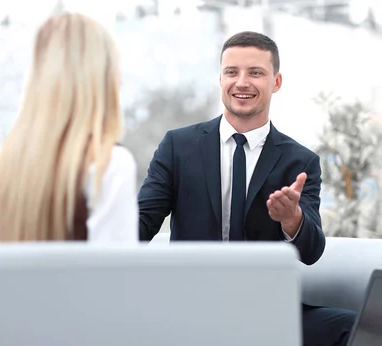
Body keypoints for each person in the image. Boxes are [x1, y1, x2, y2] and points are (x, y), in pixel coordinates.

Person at [138, 31, 356, 345]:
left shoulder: (300, 162)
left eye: (255, 73)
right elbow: (141, 224)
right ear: (220, 79)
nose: (242, 82)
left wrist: (291, 219)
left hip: (266, 309)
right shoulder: (179, 147)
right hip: (189, 306)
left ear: (276, 82)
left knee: (354, 328)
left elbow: (311, 252)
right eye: (232, 72)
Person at [0, 13, 138, 242]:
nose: (120, 81)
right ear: (99, 79)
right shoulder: (109, 165)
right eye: (114, 69)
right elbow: (116, 275)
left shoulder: (7, 166)